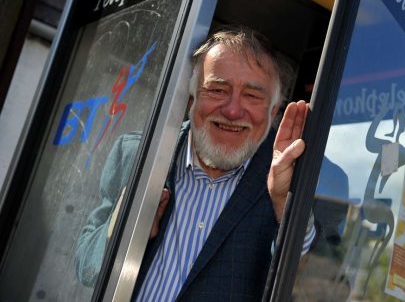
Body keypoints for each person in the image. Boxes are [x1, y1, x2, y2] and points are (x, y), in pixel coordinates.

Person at [75, 26, 315, 301]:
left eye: (252, 95)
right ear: (192, 99)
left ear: (273, 112)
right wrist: (119, 229)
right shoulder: (136, 154)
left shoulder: (291, 181)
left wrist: (285, 203)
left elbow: (303, 281)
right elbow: (85, 265)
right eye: (217, 90)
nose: (233, 110)